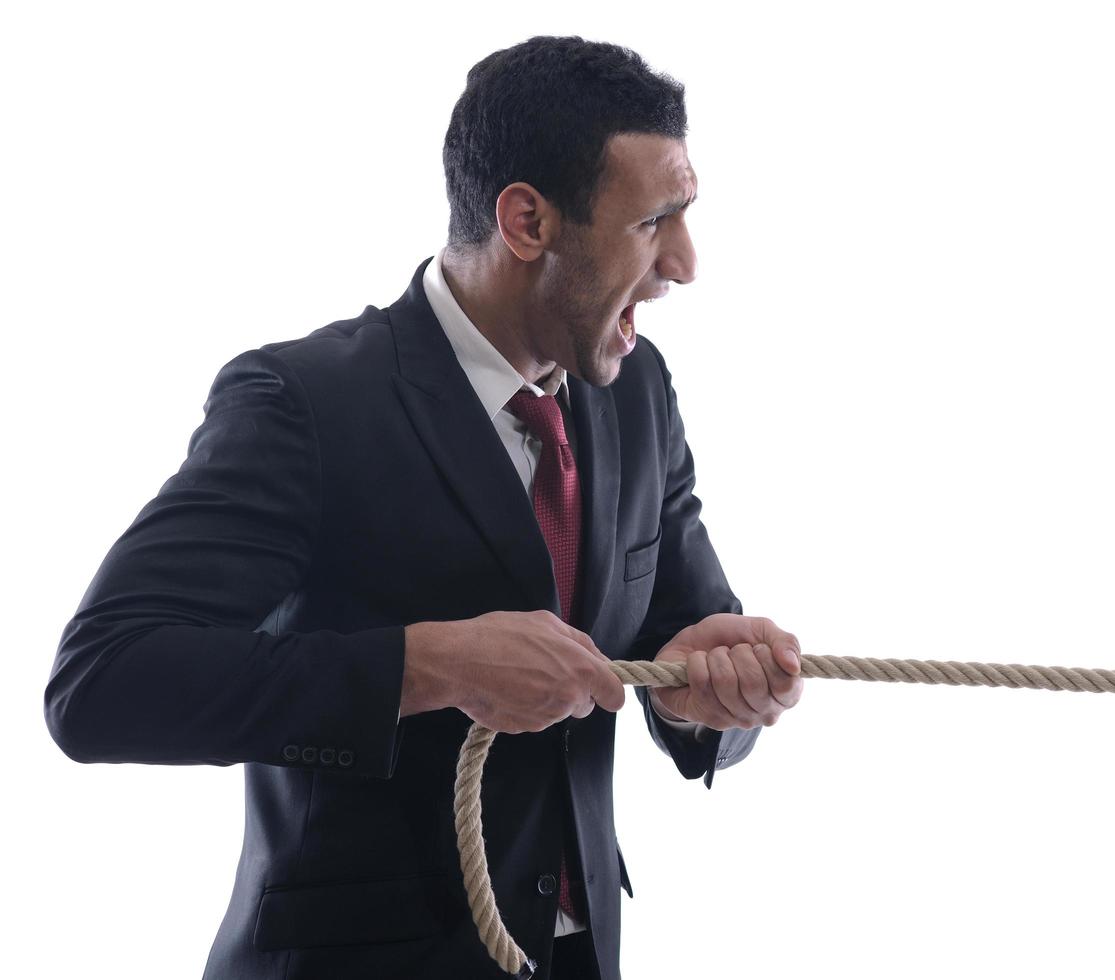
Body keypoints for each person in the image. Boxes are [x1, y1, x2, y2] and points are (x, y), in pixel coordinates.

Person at [43, 35, 803, 980]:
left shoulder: (635, 387)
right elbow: (102, 684)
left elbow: (683, 638)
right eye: (654, 221)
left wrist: (708, 707)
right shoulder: (305, 403)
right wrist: (427, 665)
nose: (686, 263)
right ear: (527, 221)